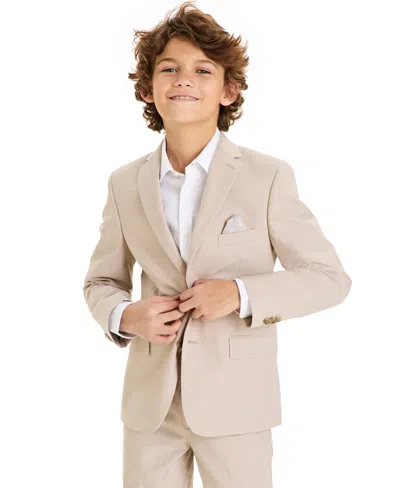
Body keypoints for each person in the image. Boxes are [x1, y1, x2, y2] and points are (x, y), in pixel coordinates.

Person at [83, 2, 352, 487]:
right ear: (147, 88)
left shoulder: (268, 177)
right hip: (149, 409)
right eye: (169, 69)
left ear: (228, 90)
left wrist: (240, 293)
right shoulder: (124, 183)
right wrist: (125, 315)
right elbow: (101, 281)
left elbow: (329, 279)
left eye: (203, 70)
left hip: (238, 405)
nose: (184, 80)